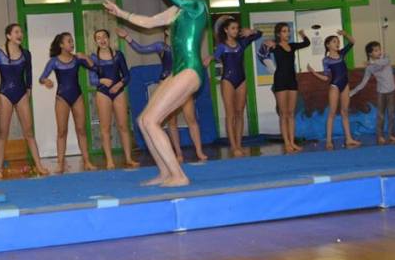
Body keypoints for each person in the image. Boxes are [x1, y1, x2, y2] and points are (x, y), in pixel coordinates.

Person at [103, 0, 209, 187]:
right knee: (143, 120)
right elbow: (150, 22)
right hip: (179, 70)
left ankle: (179, 175)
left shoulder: (197, 5)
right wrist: (122, 14)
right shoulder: (179, 10)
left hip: (191, 71)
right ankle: (165, 173)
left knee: (151, 121)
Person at [117, 27, 208, 162]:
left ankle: (199, 151)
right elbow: (141, 49)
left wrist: (201, 64)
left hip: (183, 84)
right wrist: (127, 38)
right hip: (168, 85)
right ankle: (178, 153)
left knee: (191, 119)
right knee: (171, 121)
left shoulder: (184, 46)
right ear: (166, 32)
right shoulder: (161, 47)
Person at [0, 23, 49, 177]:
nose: (20, 34)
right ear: (8, 36)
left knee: (29, 132)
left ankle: (39, 165)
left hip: (21, 93)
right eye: (16, 32)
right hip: (5, 94)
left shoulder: (26, 53)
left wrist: (28, 90)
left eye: (21, 32)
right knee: (3, 132)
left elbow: (28, 73)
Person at [39, 32, 97, 173]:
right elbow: (42, 77)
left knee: (81, 129)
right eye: (69, 41)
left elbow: (95, 68)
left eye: (72, 41)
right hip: (62, 98)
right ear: (61, 45)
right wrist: (46, 81)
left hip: (77, 96)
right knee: (62, 131)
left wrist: (86, 57)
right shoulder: (54, 61)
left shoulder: (77, 59)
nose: (72, 44)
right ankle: (60, 164)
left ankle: (87, 161)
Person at [204, 17, 262, 156]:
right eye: (233, 28)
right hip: (228, 80)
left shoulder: (242, 43)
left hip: (241, 80)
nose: (236, 31)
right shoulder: (222, 46)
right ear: (226, 30)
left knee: (239, 113)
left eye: (237, 28)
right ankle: (233, 146)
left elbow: (259, 34)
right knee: (230, 115)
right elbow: (215, 56)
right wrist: (210, 58)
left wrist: (251, 31)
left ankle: (239, 144)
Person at [89, 29, 139, 169]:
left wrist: (119, 85)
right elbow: (92, 79)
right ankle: (109, 160)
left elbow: (127, 75)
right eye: (98, 38)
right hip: (103, 93)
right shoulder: (94, 58)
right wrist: (102, 80)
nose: (102, 39)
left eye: (104, 36)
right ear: (96, 41)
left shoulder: (118, 55)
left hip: (119, 91)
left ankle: (129, 158)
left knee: (123, 126)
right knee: (105, 128)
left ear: (109, 38)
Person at [258, 24, 310, 153]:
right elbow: (261, 54)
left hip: (292, 80)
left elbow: (306, 43)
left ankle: (292, 142)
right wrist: (265, 44)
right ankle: (286, 143)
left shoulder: (292, 46)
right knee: (283, 114)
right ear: (278, 34)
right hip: (280, 81)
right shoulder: (275, 47)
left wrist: (303, 34)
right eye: (284, 31)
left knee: (291, 113)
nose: (288, 33)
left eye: (288, 31)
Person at [306, 31, 360, 150]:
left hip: (345, 85)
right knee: (332, 113)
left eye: (338, 41)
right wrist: (313, 73)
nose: (337, 43)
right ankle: (329, 141)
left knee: (345, 112)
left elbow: (352, 42)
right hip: (334, 86)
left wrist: (345, 34)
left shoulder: (341, 54)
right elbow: (326, 77)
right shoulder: (326, 60)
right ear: (328, 45)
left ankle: (349, 138)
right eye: (334, 41)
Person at [350, 41, 395, 145]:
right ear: (370, 53)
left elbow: (384, 62)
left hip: (391, 91)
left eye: (379, 49)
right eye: (376, 50)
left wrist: (372, 62)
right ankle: (380, 136)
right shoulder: (370, 68)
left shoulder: (385, 57)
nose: (379, 52)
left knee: (392, 114)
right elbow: (363, 83)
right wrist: (352, 92)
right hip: (381, 92)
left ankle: (392, 135)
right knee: (380, 115)